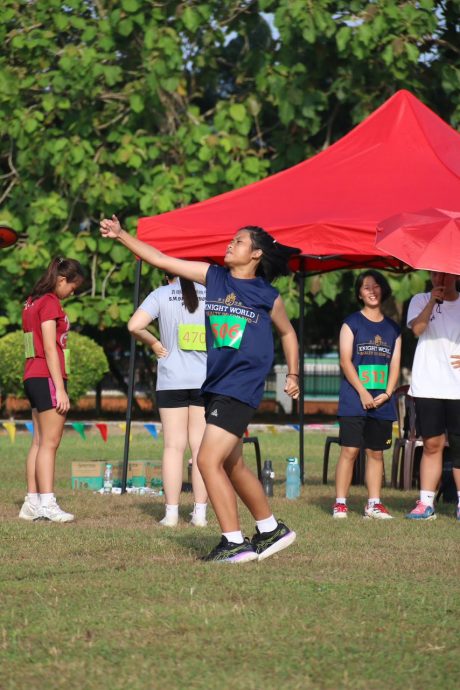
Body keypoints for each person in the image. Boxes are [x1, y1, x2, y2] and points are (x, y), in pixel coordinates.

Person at [100, 215, 300, 562]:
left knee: (206, 460)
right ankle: (270, 530)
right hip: (217, 384)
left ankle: (234, 543)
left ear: (255, 255)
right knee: (233, 464)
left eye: (238, 241)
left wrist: (294, 373)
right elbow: (161, 260)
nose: (230, 244)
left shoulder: (268, 295)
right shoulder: (215, 277)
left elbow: (287, 333)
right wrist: (121, 236)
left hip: (240, 385)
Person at [128, 272, 208, 527]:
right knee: (200, 448)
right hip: (205, 379)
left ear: (166, 272)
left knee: (173, 447)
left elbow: (133, 326)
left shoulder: (160, 294)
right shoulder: (211, 293)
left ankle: (171, 514)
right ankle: (200, 513)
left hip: (171, 379)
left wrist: (153, 342)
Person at [19, 257, 85, 523]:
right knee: (50, 442)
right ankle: (47, 503)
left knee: (38, 441)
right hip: (46, 375)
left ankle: (31, 502)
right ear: (61, 280)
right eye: (73, 286)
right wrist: (61, 388)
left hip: (32, 375)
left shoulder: (31, 301)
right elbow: (49, 346)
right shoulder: (49, 303)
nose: (73, 292)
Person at [333, 270, 401, 519]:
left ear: (382, 290)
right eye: (365, 288)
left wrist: (388, 393)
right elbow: (345, 361)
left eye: (376, 286)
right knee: (349, 450)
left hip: (382, 401)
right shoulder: (351, 323)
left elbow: (394, 365)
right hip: (354, 399)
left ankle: (374, 504)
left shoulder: (393, 329)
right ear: (359, 294)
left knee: (376, 453)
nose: (372, 291)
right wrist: (362, 392)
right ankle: (340, 503)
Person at [405, 271, 460, 521]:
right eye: (433, 273)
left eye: (444, 273)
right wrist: (431, 303)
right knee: (431, 444)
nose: (439, 278)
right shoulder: (419, 300)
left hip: (457, 388)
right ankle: (426, 503)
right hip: (428, 385)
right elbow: (417, 329)